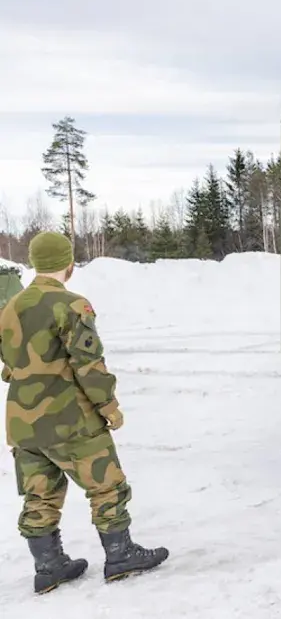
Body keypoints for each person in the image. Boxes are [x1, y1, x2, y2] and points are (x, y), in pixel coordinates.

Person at [1, 232, 168, 594]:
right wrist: (109, 407)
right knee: (107, 485)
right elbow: (88, 365)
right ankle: (120, 555)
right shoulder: (72, 304)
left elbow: (9, 364)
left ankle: (49, 567)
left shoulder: (10, 307)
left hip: (21, 421)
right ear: (69, 265)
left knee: (38, 493)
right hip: (68, 417)